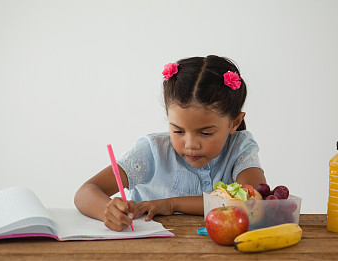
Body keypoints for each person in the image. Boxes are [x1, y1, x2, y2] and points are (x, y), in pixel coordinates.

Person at [74, 55, 266, 231]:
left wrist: (172, 204)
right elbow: (84, 193)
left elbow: (252, 203)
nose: (190, 144)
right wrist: (107, 211)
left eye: (206, 132)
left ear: (234, 123)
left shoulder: (240, 147)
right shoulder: (152, 150)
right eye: (178, 131)